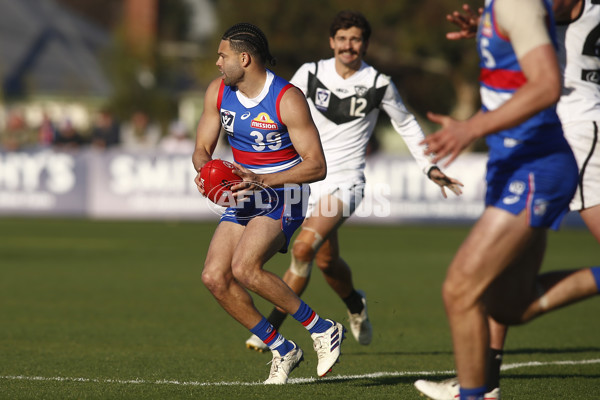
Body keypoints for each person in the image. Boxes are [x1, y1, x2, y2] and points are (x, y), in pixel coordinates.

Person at [409, 1, 600, 399]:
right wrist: (492, 26)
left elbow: (548, 85)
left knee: (460, 289)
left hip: (536, 165)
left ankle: (475, 392)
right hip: (514, 163)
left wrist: (470, 128)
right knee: (510, 305)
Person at [245, 10, 463, 353]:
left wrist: (429, 167)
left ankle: (271, 325)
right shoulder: (310, 73)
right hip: (308, 181)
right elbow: (280, 110)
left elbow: (406, 124)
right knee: (326, 262)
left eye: (356, 39)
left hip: (345, 182)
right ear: (332, 42)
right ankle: (355, 304)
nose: (349, 46)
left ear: (365, 44)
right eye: (343, 39)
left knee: (303, 248)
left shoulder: (379, 83)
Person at [192, 22, 346, 385]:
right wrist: (210, 173)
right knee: (214, 276)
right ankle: (282, 348)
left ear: (244, 59)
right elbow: (201, 149)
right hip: (246, 193)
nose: (217, 62)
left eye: (222, 55)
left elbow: (316, 165)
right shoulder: (217, 92)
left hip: (284, 193)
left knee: (245, 268)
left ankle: (323, 328)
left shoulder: (286, 98)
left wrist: (263, 179)